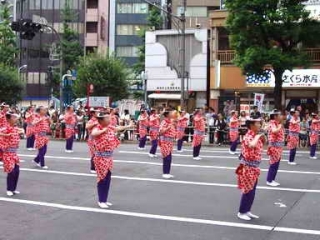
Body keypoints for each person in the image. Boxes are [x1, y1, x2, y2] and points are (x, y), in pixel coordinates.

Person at [91, 112, 133, 209]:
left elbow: (118, 128)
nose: (109, 120)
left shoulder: (109, 127)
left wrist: (128, 126)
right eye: (107, 118)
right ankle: (101, 200)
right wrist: (103, 131)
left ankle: (104, 199)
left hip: (109, 157)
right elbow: (93, 133)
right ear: (101, 120)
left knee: (108, 178)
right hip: (101, 157)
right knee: (102, 179)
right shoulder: (98, 127)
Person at [236, 117, 265, 221]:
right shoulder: (248, 136)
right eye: (257, 123)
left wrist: (261, 137)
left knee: (252, 191)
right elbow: (252, 145)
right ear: (251, 125)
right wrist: (258, 136)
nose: (260, 124)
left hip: (254, 167)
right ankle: (242, 212)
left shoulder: (255, 135)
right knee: (247, 191)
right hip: (247, 167)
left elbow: (262, 143)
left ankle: (247, 210)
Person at [0, 112, 24, 196]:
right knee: (11, 172)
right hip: (7, 154)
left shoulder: (15, 128)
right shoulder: (6, 128)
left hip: (14, 153)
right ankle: (9, 189)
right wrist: (5, 134)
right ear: (8, 119)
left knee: (17, 171)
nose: (15, 119)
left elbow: (18, 117)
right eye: (13, 118)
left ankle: (13, 189)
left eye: (15, 118)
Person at [266, 110, 284, 187]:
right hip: (274, 147)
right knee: (273, 164)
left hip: (278, 147)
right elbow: (274, 131)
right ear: (275, 116)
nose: (282, 116)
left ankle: (272, 179)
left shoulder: (277, 123)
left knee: (276, 164)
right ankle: (269, 180)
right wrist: (280, 126)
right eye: (280, 115)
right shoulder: (273, 123)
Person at [159, 110, 177, 179]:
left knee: (169, 158)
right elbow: (160, 132)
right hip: (165, 142)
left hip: (170, 142)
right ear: (167, 115)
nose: (172, 114)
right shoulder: (164, 122)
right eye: (170, 113)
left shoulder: (170, 121)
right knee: (166, 157)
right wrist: (168, 128)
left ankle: (167, 172)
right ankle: (165, 173)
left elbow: (176, 118)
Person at [86, 108, 100, 173]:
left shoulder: (99, 120)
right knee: (94, 154)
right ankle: (93, 167)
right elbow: (87, 126)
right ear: (93, 114)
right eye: (97, 112)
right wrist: (94, 124)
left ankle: (97, 167)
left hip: (98, 140)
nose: (98, 113)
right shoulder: (91, 120)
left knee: (98, 154)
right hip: (92, 139)